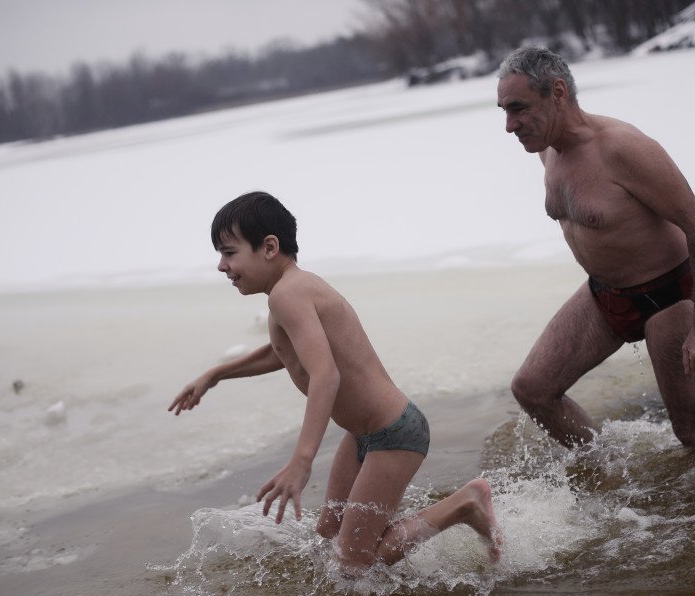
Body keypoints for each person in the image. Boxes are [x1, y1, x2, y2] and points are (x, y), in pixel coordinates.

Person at [169, 191, 501, 574]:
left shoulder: (287, 295)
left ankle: (465, 504)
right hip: (364, 435)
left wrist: (301, 461)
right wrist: (216, 374)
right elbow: (284, 351)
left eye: (229, 253)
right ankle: (404, 523)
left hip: (394, 435)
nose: (221, 266)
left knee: (354, 564)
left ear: (269, 247)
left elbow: (325, 375)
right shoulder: (292, 289)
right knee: (328, 537)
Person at [496, 46, 695, 451]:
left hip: (667, 297)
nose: (510, 125)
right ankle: (606, 472)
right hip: (605, 294)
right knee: (532, 390)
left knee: (693, 437)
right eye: (504, 111)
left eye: (518, 108)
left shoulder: (623, 148)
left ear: (558, 92)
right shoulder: (546, 148)